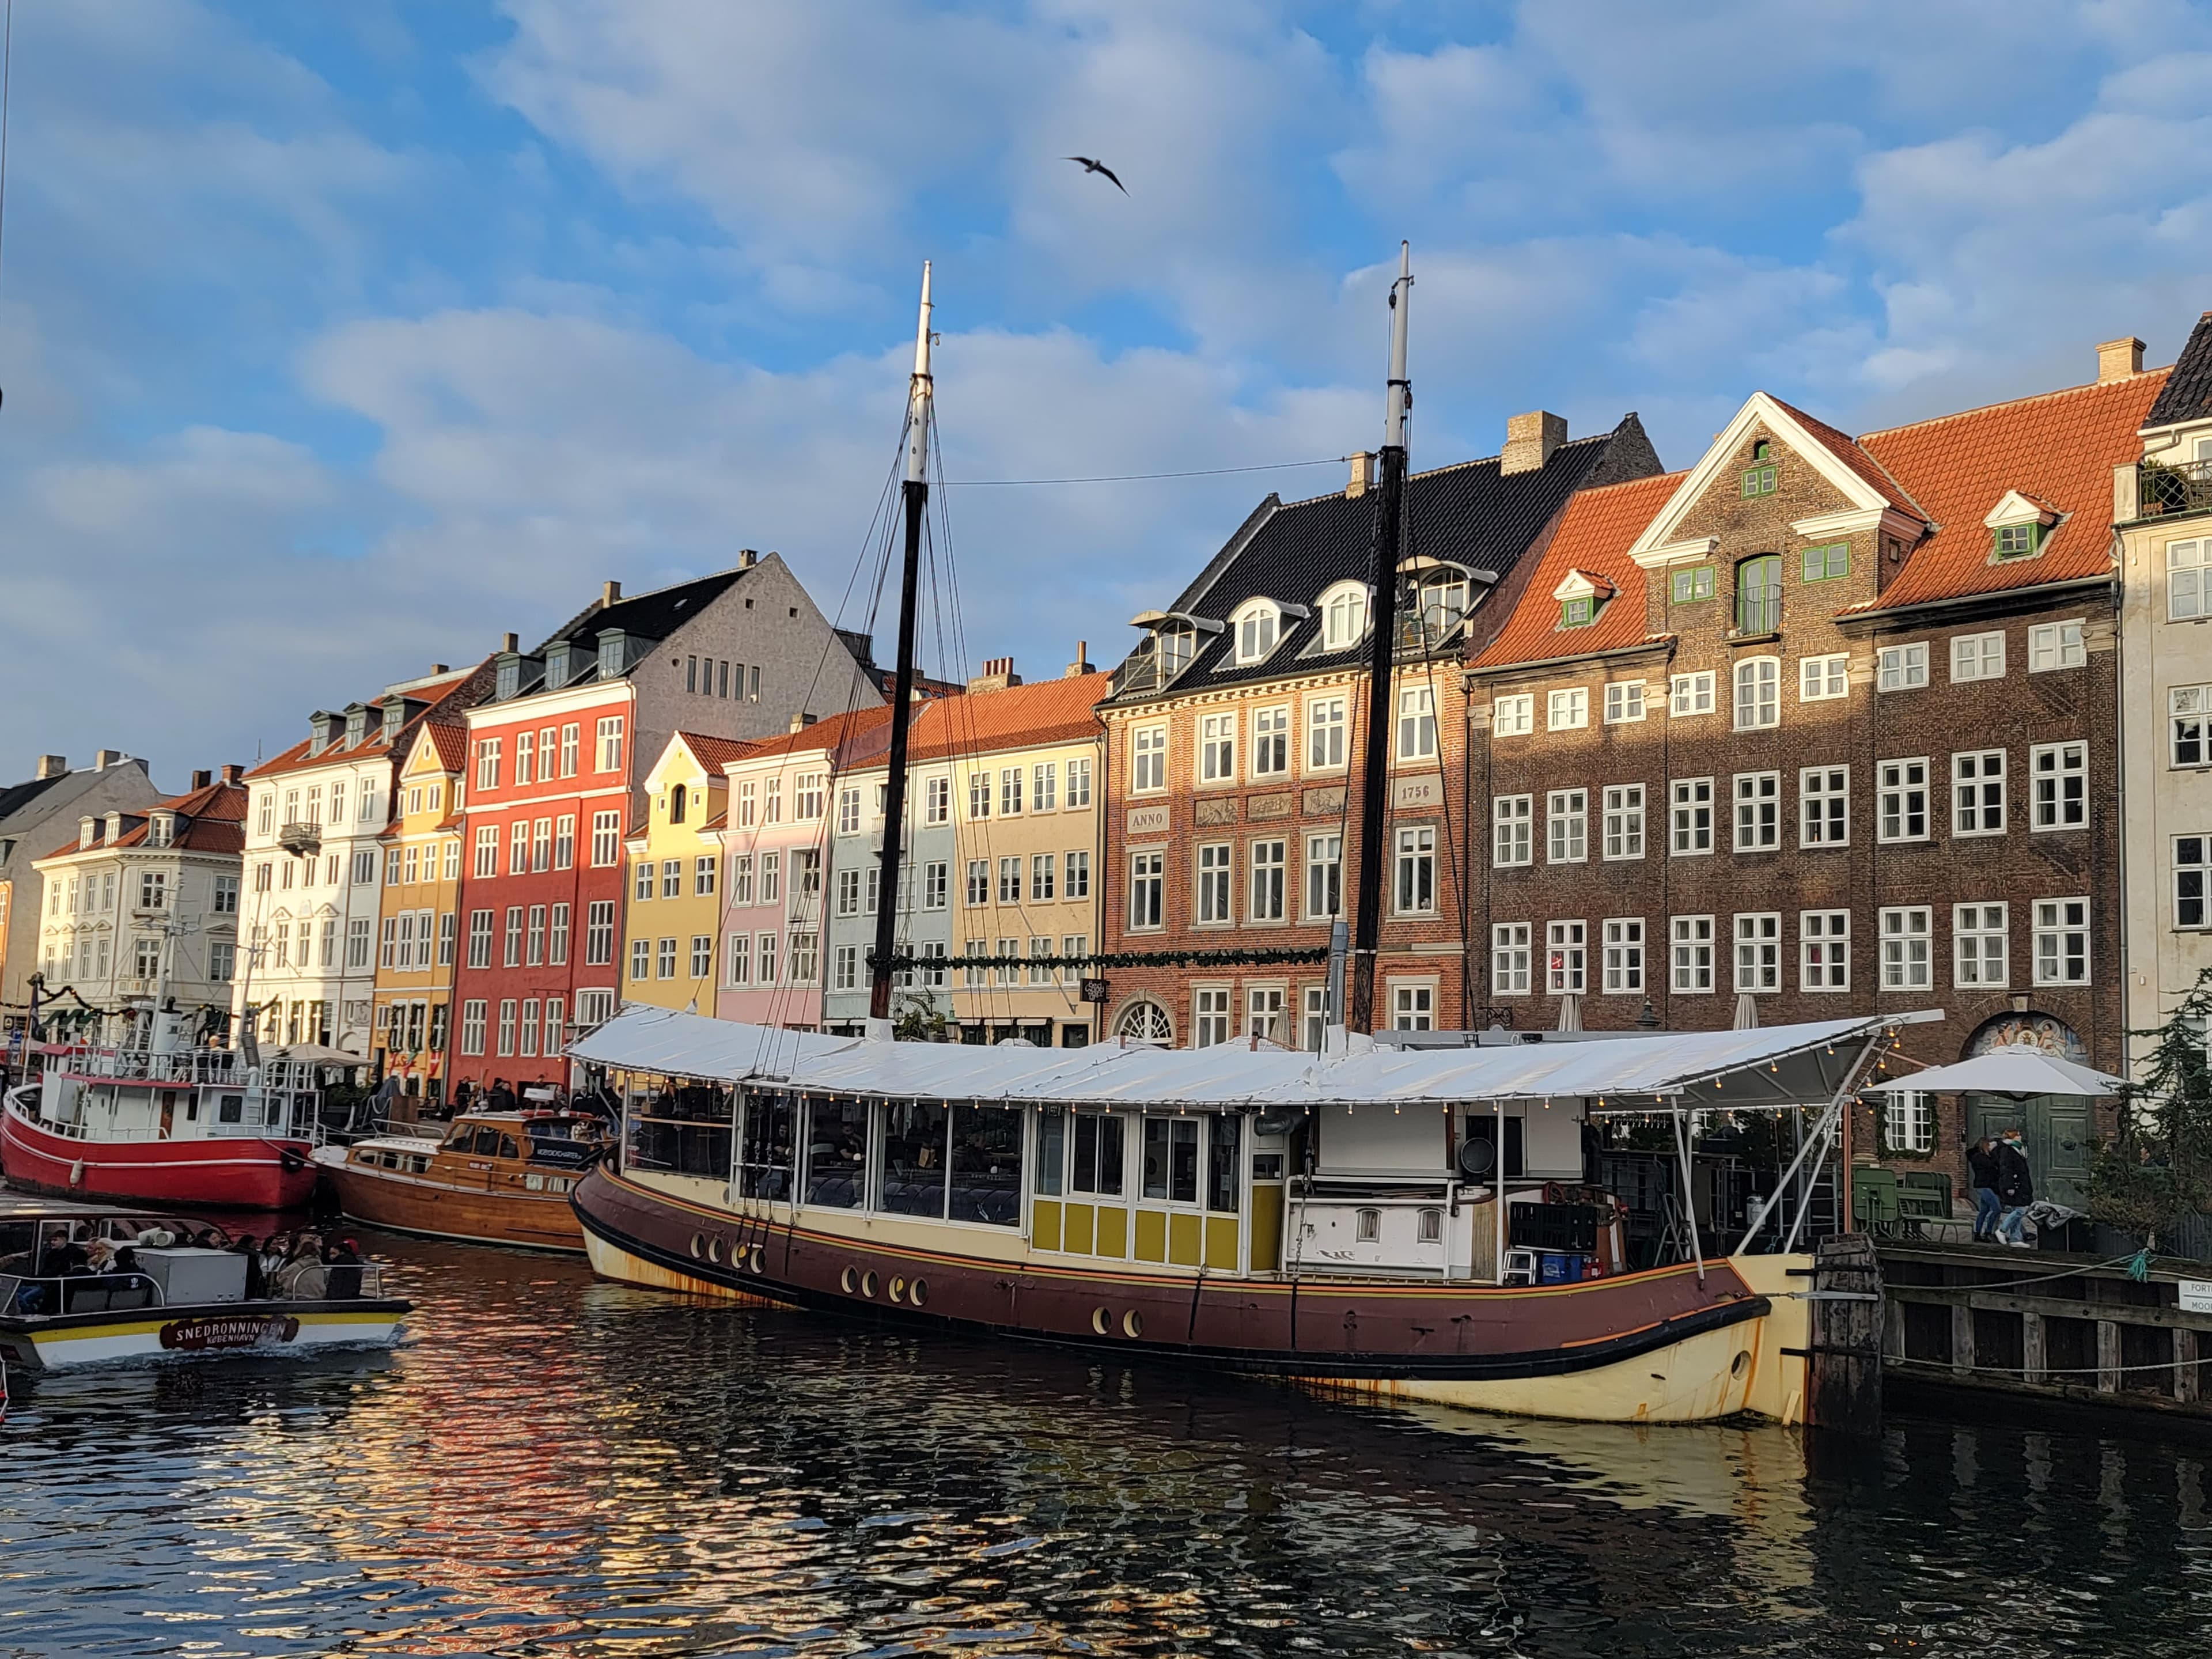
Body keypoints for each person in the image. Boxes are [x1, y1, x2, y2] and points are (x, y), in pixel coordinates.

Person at [1995, 1128, 2035, 1247]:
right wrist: (2010, 1186)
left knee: (2017, 1209)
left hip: (2021, 1184)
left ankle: (2016, 1238)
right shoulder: (2007, 1151)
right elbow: (2006, 1169)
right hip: (2015, 1185)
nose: (2020, 1137)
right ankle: (2002, 1230)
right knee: (2021, 1210)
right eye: (2018, 1135)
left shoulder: (2019, 1149)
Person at [1966, 1136, 2005, 1243]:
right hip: (1983, 1185)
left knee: (1984, 1210)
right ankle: (1988, 1232)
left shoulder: (1989, 1156)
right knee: (1997, 1209)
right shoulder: (1979, 1157)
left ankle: (1978, 1233)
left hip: (1988, 1185)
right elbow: (1992, 1166)